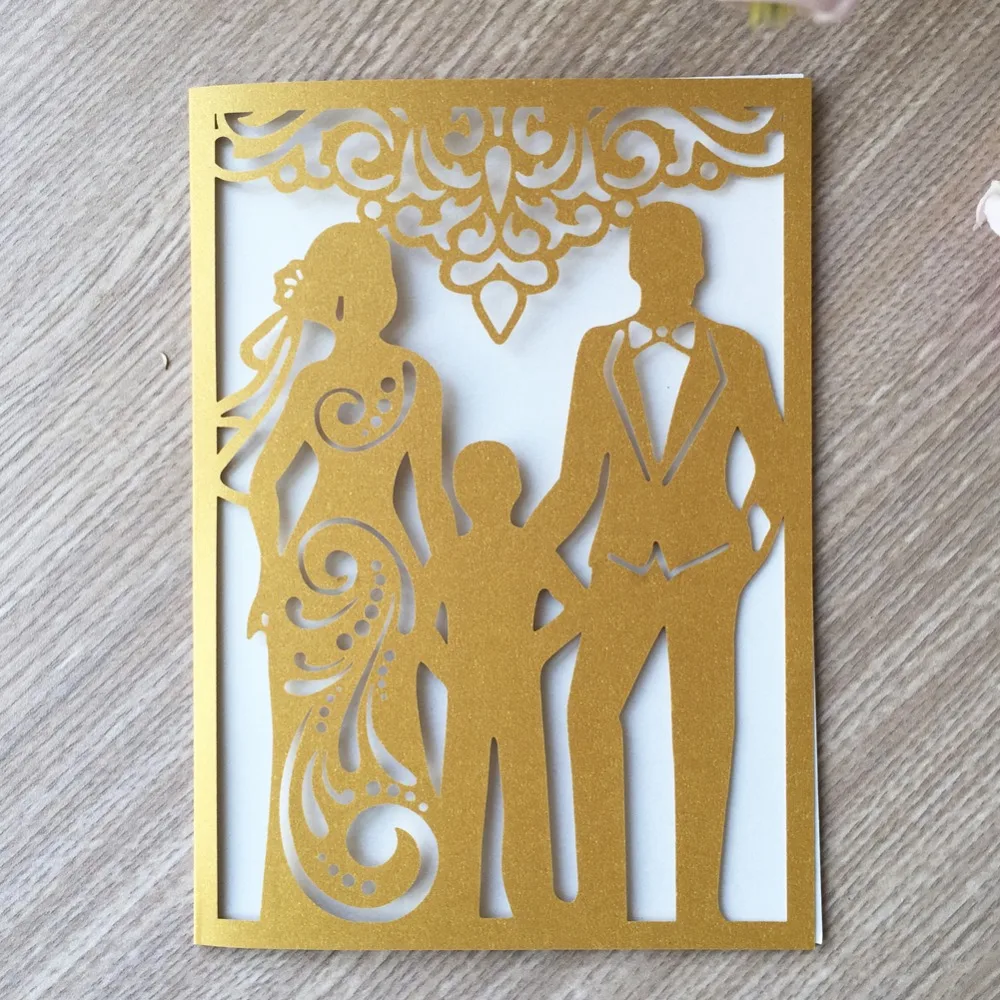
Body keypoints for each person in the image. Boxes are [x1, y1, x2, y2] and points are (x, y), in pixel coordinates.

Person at [531, 201, 786, 930]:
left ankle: (699, 907)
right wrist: (522, 550)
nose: (668, 270)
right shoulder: (599, 351)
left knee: (702, 729)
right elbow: (579, 479)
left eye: (682, 256)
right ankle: (604, 901)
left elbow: (777, 465)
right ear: (636, 266)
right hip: (622, 567)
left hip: (710, 568)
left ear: (700, 266)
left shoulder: (737, 352)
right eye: (654, 256)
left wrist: (747, 556)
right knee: (587, 712)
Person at [241, 222, 454, 917]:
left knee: (363, 718)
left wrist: (273, 570)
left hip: (337, 570)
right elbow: (430, 501)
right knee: (357, 718)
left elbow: (266, 484)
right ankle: (310, 881)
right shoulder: (399, 377)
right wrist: (272, 576)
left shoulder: (361, 380)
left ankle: (316, 887)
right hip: (363, 571)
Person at [425, 441, 582, 921]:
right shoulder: (457, 555)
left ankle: (528, 899)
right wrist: (452, 667)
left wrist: (535, 649)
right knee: (473, 791)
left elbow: (580, 609)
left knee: (521, 791)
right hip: (481, 690)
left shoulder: (522, 550)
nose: (486, 495)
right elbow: (421, 630)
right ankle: (460, 899)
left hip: (511, 689)